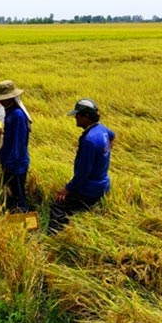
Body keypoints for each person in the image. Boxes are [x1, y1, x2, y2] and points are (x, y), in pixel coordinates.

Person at [48, 98, 115, 233]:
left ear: (87, 116)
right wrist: (104, 154)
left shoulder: (89, 140)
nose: (76, 118)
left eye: (78, 115)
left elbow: (83, 173)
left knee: (59, 205)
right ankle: (73, 225)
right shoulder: (102, 129)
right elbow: (113, 136)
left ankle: (55, 237)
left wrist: (67, 189)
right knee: (75, 207)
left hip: (91, 189)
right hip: (103, 184)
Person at [0, 80, 30, 212]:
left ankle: (25, 221)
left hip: (16, 164)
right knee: (11, 194)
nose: (1, 102)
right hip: (10, 161)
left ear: (11, 97)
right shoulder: (9, 112)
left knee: (18, 195)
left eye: (4, 99)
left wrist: (10, 164)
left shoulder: (17, 115)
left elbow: (18, 142)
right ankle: (13, 216)